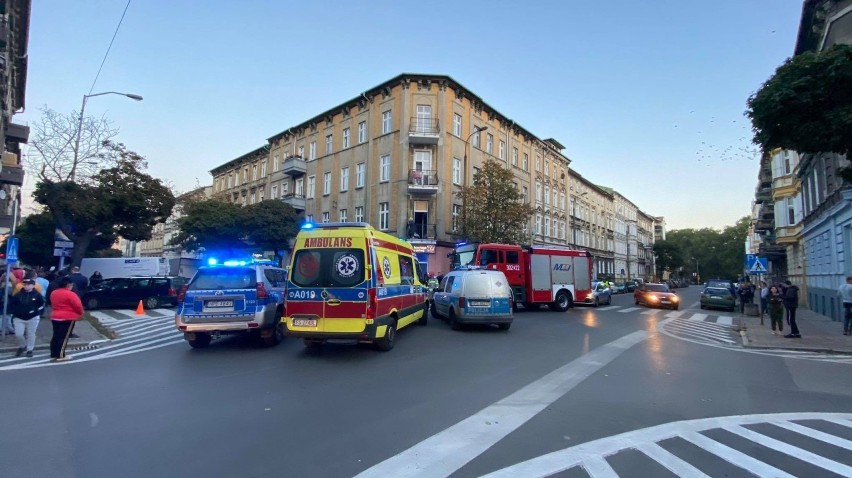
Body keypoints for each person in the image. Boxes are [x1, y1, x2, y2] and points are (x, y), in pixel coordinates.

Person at [49, 277, 84, 362]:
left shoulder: (54, 293)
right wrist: (80, 313)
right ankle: (61, 355)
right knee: (64, 337)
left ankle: (54, 353)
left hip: (55, 316)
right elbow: (78, 305)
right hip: (67, 317)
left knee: (56, 335)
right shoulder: (70, 294)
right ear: (69, 285)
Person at [10, 279, 45, 358]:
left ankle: (30, 349)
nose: (26, 286)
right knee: (19, 334)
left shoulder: (37, 295)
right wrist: (14, 312)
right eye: (25, 285)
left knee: (31, 333)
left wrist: (35, 311)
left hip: (32, 317)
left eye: (28, 285)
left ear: (33, 286)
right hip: (19, 317)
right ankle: (23, 346)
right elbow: (12, 304)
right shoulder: (18, 294)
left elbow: (41, 305)